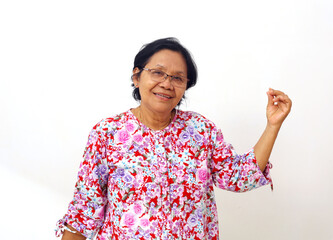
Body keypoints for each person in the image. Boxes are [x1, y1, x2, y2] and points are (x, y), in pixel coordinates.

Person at [55, 37, 292, 240]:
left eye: (178, 78)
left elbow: (240, 177)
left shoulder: (200, 130)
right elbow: (84, 210)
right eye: (157, 72)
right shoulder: (107, 133)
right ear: (137, 77)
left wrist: (273, 125)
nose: (167, 84)